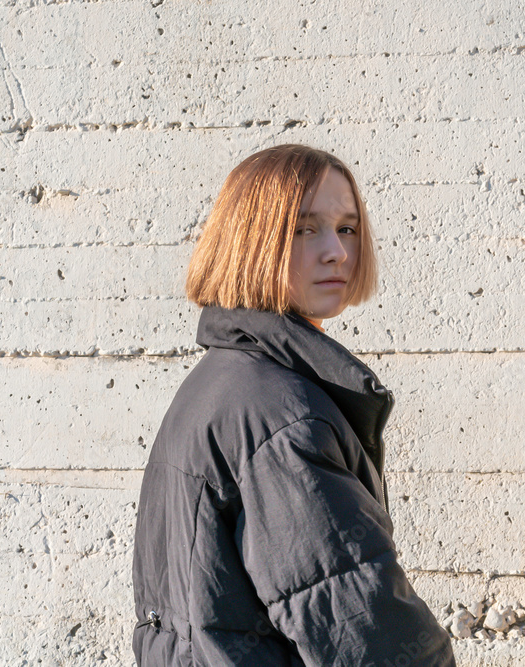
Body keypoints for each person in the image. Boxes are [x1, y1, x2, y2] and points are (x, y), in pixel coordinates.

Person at [132, 144, 455, 666]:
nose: (336, 252)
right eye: (305, 228)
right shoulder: (280, 415)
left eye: (346, 228)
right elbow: (365, 633)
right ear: (250, 241)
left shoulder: (218, 382)